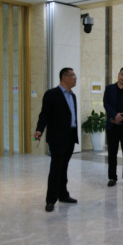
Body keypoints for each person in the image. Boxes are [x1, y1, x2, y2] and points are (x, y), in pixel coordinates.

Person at [34, 67, 79, 212]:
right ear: (64, 77)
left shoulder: (73, 96)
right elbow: (44, 114)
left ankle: (63, 195)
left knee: (63, 167)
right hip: (57, 138)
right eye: (73, 75)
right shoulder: (52, 94)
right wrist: (39, 129)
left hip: (70, 136)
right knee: (56, 169)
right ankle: (50, 200)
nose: (75, 78)